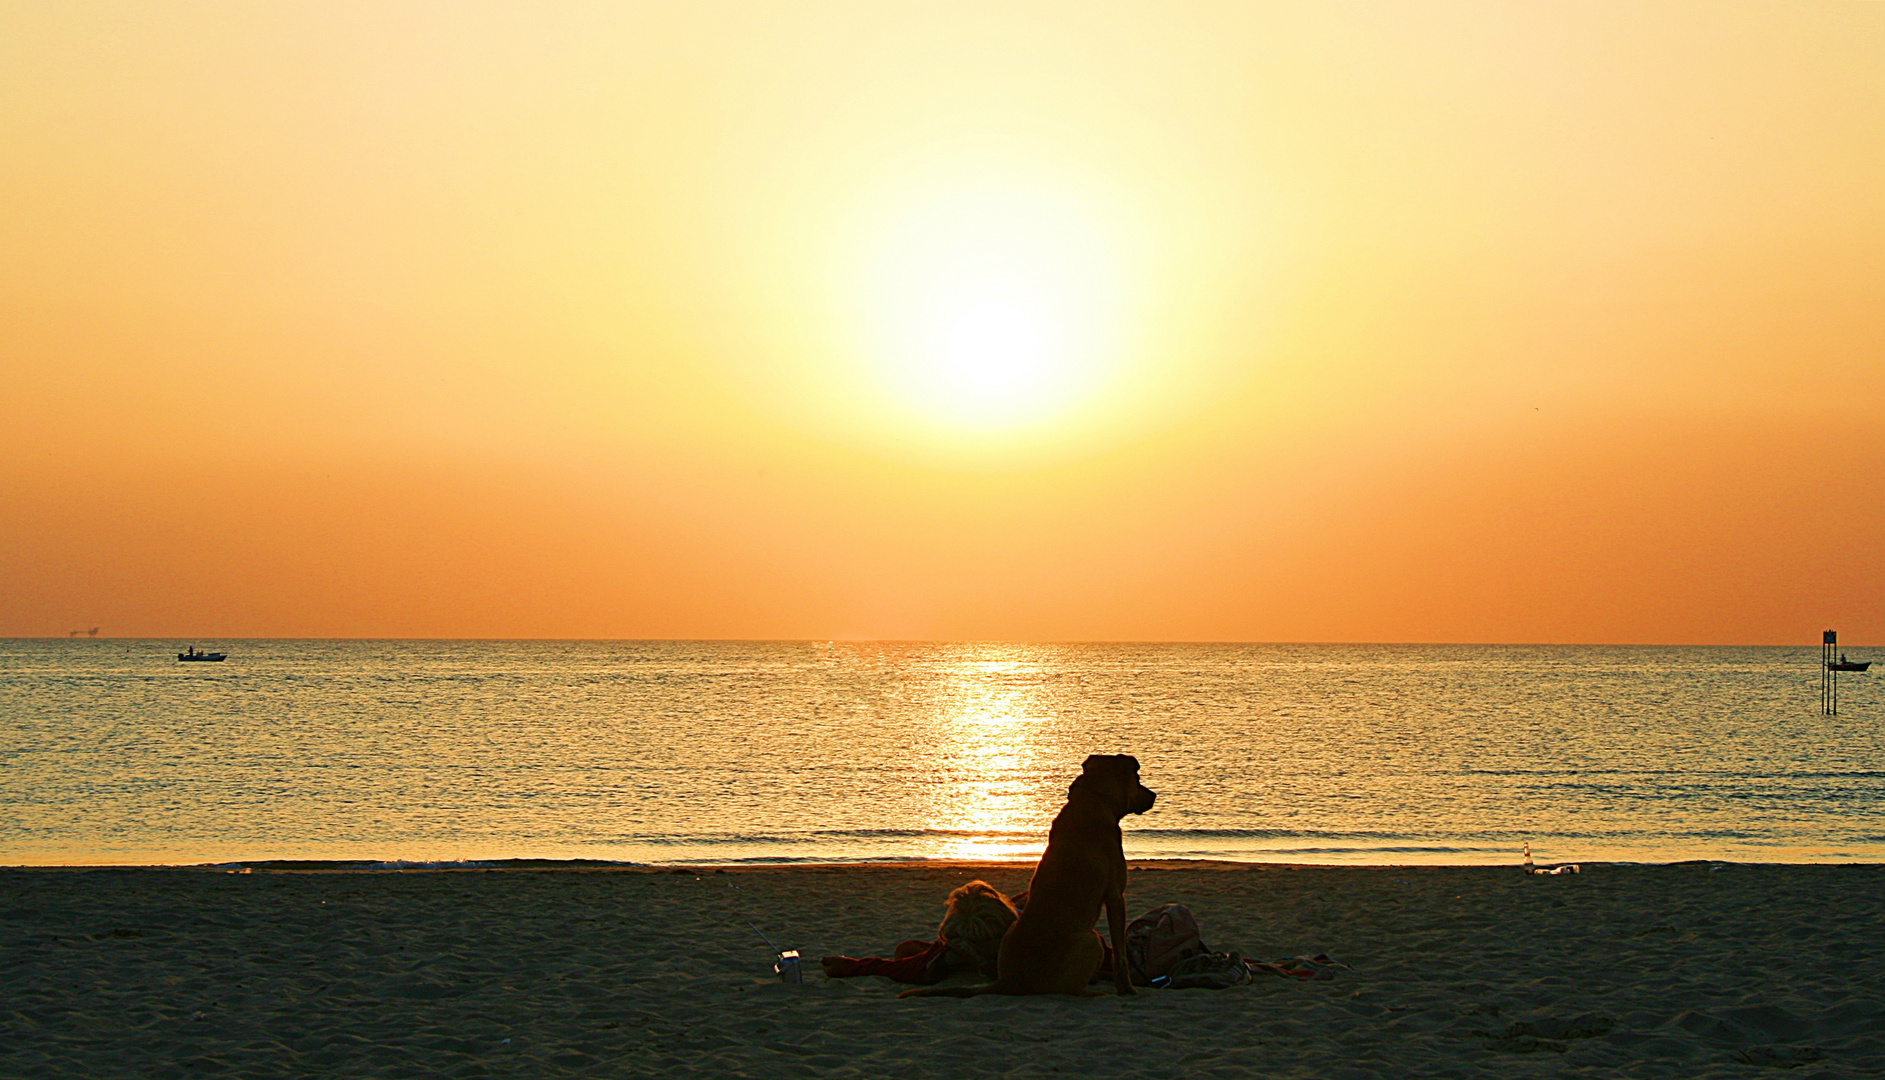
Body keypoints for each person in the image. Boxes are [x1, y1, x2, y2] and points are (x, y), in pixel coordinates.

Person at [821, 880, 1021, 984]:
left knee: (906, 950)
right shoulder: (1018, 931)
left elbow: (895, 969)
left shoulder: (948, 951)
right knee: (908, 949)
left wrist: (849, 966)